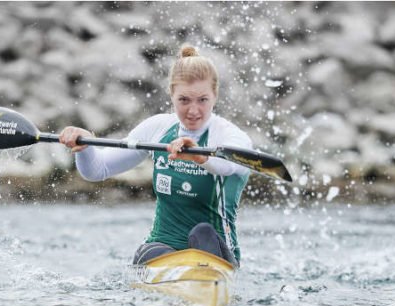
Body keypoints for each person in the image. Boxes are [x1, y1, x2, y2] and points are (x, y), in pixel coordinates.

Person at [58, 44, 252, 267]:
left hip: (213, 254)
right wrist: (84, 145)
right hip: (163, 250)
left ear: (215, 95)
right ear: (172, 94)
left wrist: (199, 156)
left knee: (203, 232)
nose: (193, 110)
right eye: (184, 100)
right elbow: (97, 170)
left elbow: (229, 165)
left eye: (202, 100)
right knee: (147, 253)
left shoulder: (230, 136)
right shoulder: (157, 128)